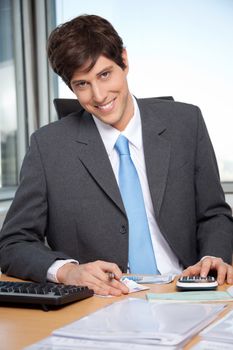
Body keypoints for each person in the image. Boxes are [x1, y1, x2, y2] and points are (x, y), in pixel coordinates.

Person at [0, 14, 232, 296]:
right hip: (103, 301)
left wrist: (214, 256)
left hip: (187, 292)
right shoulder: (48, 147)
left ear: (124, 60)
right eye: (82, 84)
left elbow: (214, 214)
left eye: (104, 74)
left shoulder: (187, 122)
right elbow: (13, 243)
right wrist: (68, 270)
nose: (99, 96)